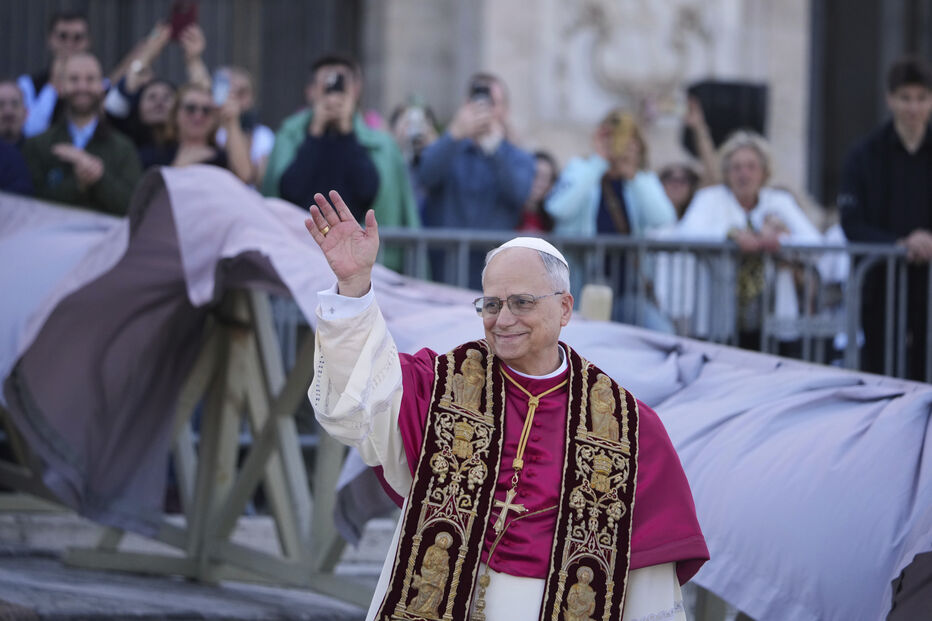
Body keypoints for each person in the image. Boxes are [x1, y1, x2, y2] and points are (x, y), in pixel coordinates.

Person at [304, 190, 708, 621]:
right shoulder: (444, 384)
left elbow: (649, 586)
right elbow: (360, 402)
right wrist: (354, 288)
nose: (503, 318)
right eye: (492, 304)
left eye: (522, 302)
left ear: (565, 308)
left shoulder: (628, 428)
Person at [262, 55, 418, 272]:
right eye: (326, 84)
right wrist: (315, 132)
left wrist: (347, 131)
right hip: (300, 260)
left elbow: (369, 192)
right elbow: (289, 190)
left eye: (340, 84)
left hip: (363, 265)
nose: (333, 93)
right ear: (311, 91)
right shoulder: (290, 135)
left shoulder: (380, 142)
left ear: (355, 90)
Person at [674, 130, 822, 349]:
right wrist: (731, 235)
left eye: (751, 167)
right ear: (726, 172)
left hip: (772, 319)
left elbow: (815, 242)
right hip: (719, 320)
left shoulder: (780, 201)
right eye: (736, 167)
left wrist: (780, 240)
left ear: (763, 172)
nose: (744, 174)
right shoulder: (709, 199)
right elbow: (685, 234)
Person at [839, 56, 932, 380]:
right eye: (905, 98)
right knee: (882, 377)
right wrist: (900, 244)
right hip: (881, 290)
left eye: (921, 98)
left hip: (930, 292)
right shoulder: (863, 155)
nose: (913, 107)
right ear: (890, 99)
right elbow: (851, 223)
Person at [23, 53, 141, 216]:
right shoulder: (37, 145)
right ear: (61, 86)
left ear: (101, 86)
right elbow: (28, 205)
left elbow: (133, 207)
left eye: (90, 79)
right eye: (74, 79)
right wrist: (77, 184)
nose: (82, 87)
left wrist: (98, 176)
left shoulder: (124, 148)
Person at [545, 109, 675, 237]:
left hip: (629, 258)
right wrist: (599, 161)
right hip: (582, 258)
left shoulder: (642, 178)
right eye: (614, 137)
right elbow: (558, 209)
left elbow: (663, 220)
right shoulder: (581, 167)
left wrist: (634, 176)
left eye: (628, 139)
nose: (620, 145)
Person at [137, 83, 252, 183]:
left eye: (206, 110)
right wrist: (179, 167)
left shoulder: (222, 157)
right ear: (175, 113)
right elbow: (151, 197)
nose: (198, 115)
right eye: (190, 108)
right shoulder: (152, 155)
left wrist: (232, 123)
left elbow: (244, 176)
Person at [18, 10, 91, 138]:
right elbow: (30, 131)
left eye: (77, 38)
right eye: (63, 36)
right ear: (51, 39)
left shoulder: (100, 84)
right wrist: (53, 86)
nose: (69, 44)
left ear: (87, 42)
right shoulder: (27, 85)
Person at [213, 66, 275, 187]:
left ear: (252, 97)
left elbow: (248, 176)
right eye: (229, 91)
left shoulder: (263, 135)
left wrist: (233, 122)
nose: (234, 98)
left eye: (241, 92)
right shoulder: (209, 129)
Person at [516, 151, 557, 232]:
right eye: (535, 175)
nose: (539, 183)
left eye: (546, 178)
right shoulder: (507, 214)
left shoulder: (551, 219)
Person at [0, 79, 27, 148]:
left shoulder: (40, 153)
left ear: (25, 113)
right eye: (1, 104)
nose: (8, 111)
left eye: (15, 104)